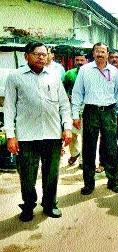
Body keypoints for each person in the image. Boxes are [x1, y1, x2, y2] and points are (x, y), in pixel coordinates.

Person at [4, 42, 72, 221]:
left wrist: (67, 128)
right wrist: (10, 136)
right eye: (37, 54)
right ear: (27, 55)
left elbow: (64, 105)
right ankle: (28, 206)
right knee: (27, 175)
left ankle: (50, 204)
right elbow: (9, 108)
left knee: (51, 174)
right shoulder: (15, 76)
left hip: (52, 134)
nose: (41, 57)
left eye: (44, 54)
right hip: (27, 135)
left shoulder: (54, 76)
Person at [72, 42, 118, 195]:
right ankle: (88, 184)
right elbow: (77, 93)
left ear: (108, 54)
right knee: (89, 148)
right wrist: (75, 115)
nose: (100, 54)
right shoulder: (85, 70)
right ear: (93, 53)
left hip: (109, 112)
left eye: (103, 52)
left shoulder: (114, 71)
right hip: (90, 111)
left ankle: (113, 181)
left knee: (111, 148)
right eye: (97, 51)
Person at [63, 51, 88, 166]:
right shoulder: (69, 74)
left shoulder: (91, 74)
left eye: (82, 60)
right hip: (72, 109)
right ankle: (74, 153)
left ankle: (83, 161)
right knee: (72, 134)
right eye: (77, 60)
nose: (79, 63)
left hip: (87, 109)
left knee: (85, 136)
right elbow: (62, 90)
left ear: (86, 61)